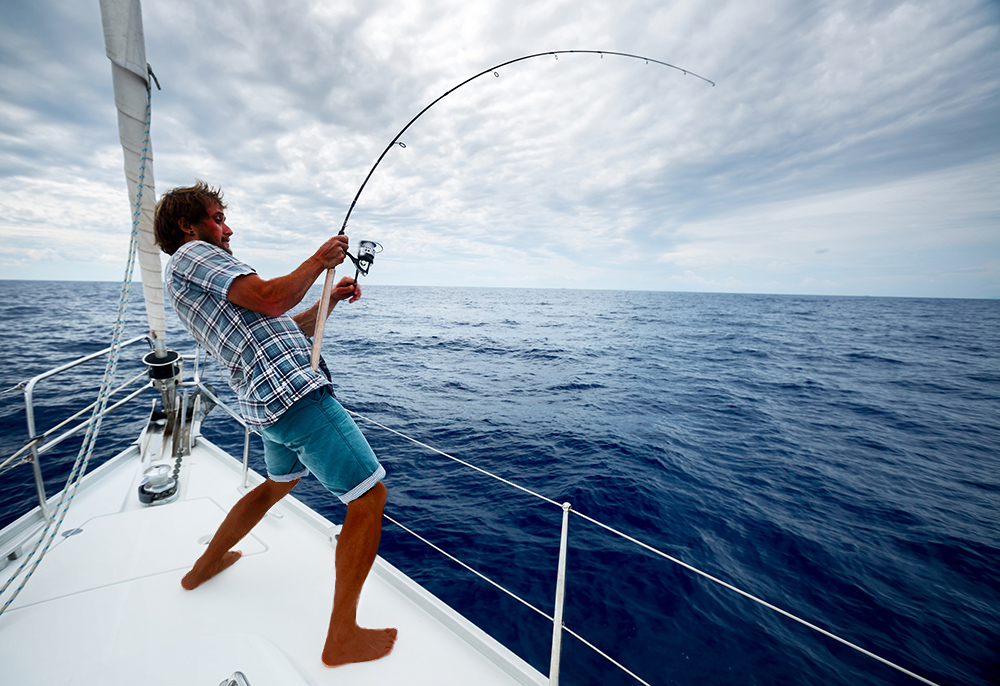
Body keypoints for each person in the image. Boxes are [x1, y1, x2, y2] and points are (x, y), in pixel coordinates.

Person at [153, 180, 397, 667]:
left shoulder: (186, 278)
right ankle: (342, 636)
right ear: (188, 225)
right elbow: (269, 298)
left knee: (274, 487)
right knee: (369, 497)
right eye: (218, 217)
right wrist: (318, 260)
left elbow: (281, 324)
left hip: (265, 405)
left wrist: (325, 302)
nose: (227, 228)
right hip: (294, 395)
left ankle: (204, 567)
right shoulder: (194, 255)